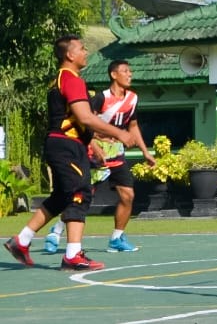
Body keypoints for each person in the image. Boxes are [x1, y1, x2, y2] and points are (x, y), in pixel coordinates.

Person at [6, 35, 134, 271]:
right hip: (66, 146)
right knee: (79, 192)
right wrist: (120, 133)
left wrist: (92, 142)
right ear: (70, 55)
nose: (86, 52)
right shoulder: (72, 79)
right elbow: (86, 117)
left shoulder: (61, 79)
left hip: (65, 143)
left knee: (63, 196)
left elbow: (71, 119)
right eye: (82, 49)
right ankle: (73, 255)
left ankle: (21, 242)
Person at [90, 59, 156, 252]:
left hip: (117, 153)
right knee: (82, 196)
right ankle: (57, 230)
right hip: (95, 152)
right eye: (125, 71)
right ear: (113, 75)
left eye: (130, 71)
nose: (130, 74)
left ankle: (116, 238)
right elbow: (85, 125)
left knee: (128, 195)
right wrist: (94, 146)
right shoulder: (100, 98)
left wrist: (145, 152)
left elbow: (133, 127)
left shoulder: (132, 99)